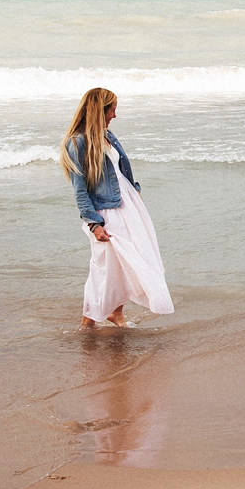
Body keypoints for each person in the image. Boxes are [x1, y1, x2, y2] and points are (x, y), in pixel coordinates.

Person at [61, 87, 173, 327]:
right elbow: (80, 189)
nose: (115, 115)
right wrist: (93, 224)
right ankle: (87, 324)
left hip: (127, 207)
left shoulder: (108, 136)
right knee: (104, 267)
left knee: (125, 262)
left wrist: (136, 194)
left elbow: (122, 174)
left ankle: (116, 312)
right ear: (98, 111)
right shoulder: (78, 143)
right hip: (106, 212)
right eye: (112, 110)